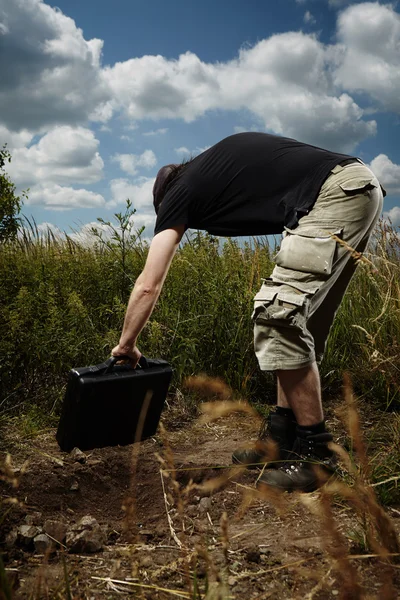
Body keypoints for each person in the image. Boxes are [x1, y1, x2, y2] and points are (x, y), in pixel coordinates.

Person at [112, 132, 385, 493]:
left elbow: (149, 283)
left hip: (335, 194)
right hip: (358, 188)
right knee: (297, 321)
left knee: (277, 315)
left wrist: (126, 344)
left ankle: (316, 455)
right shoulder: (213, 169)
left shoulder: (180, 192)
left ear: (165, 198)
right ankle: (281, 439)